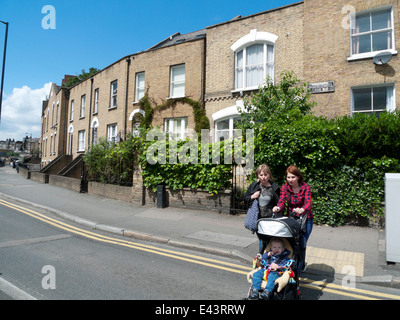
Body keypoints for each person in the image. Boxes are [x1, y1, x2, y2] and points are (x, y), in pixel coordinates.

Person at [272, 165, 313, 270]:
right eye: (288, 177)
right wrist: (278, 207)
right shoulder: (285, 187)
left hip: (305, 219)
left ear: (298, 177)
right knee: (291, 243)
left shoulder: (305, 187)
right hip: (291, 220)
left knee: (301, 243)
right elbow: (281, 201)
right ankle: (291, 264)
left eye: (293, 177)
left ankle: (301, 264)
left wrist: (302, 209)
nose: (290, 180)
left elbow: (309, 203)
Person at [244, 164, 280, 250]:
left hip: (271, 219)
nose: (263, 177)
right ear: (258, 175)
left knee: (270, 240)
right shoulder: (254, 185)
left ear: (269, 175)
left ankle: (266, 258)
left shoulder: (275, 187)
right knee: (262, 240)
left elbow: (280, 202)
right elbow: (245, 198)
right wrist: (252, 196)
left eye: (265, 175)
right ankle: (261, 259)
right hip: (258, 219)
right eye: (261, 175)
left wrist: (277, 208)